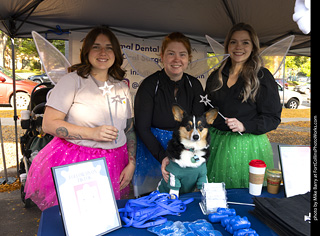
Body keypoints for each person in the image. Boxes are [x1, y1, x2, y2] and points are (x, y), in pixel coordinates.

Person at [24, 27, 136, 211]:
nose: (103, 52)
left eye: (109, 47)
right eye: (96, 46)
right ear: (86, 51)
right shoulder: (72, 81)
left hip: (116, 160)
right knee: (79, 216)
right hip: (78, 161)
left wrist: (131, 163)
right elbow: (49, 124)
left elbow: (130, 128)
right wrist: (92, 133)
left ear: (115, 52)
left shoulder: (121, 87)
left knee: (106, 215)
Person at [205, 23, 282, 189]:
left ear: (253, 46)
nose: (238, 47)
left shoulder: (262, 76)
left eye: (245, 42)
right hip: (216, 146)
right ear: (227, 46)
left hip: (247, 147)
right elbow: (206, 109)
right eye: (233, 42)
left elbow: (273, 118)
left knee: (246, 198)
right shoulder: (215, 76)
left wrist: (244, 125)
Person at [133, 32, 205, 194]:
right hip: (154, 150)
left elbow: (198, 126)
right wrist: (163, 156)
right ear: (162, 56)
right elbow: (142, 127)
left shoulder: (195, 85)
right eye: (171, 54)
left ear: (188, 58)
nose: (176, 59)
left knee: (181, 196)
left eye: (182, 54)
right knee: (153, 196)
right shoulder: (150, 85)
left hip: (186, 151)